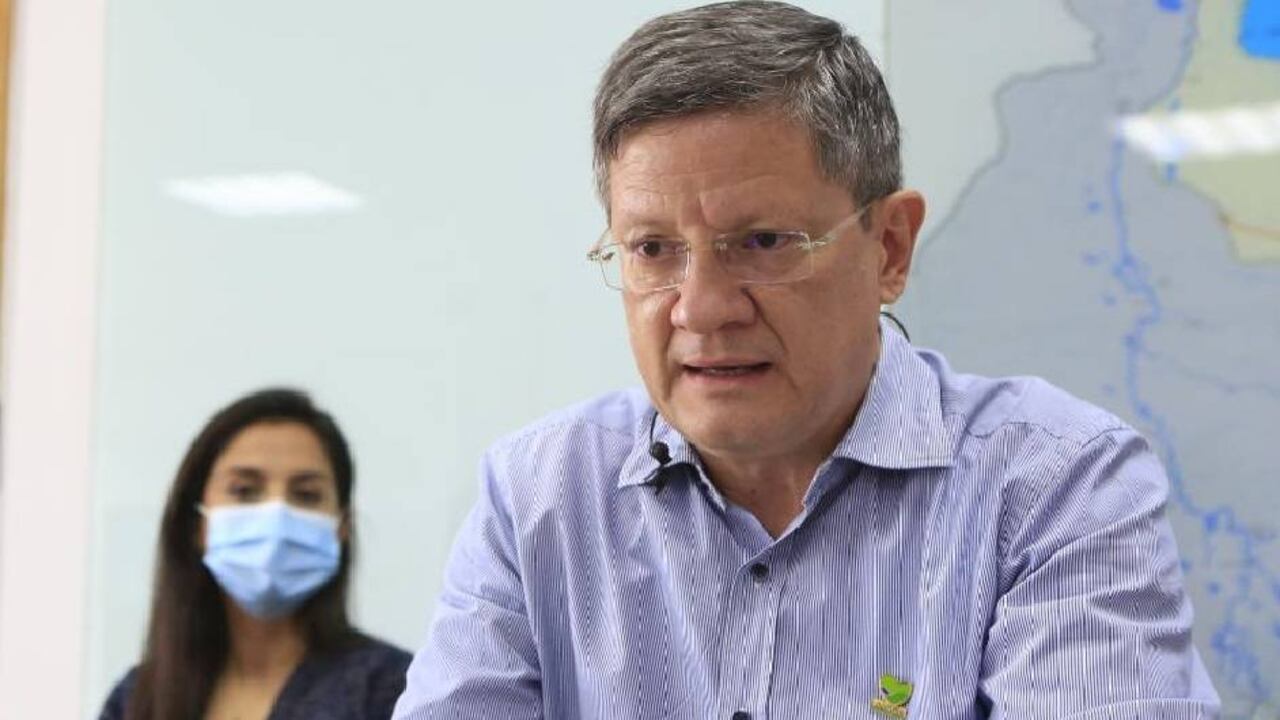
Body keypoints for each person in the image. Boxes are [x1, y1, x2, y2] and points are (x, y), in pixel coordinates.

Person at [394, 2, 1220, 718]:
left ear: (889, 247)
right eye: (651, 249)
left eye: (762, 242)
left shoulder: (1057, 489)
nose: (700, 308)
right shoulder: (538, 498)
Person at [100, 388, 411, 720]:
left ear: (341, 527)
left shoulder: (393, 689)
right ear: (199, 524)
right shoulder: (138, 697)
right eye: (244, 491)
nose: (277, 512)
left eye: (306, 495)